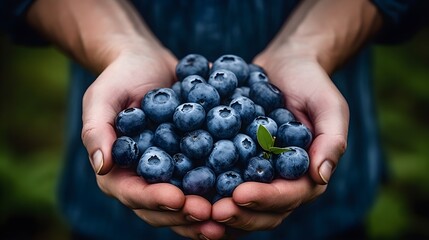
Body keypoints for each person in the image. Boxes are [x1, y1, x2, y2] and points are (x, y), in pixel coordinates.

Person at [0, 0, 426, 239]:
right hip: (112, 221)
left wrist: (309, 48)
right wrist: (116, 47)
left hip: (326, 218)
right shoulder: (169, 126)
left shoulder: (267, 126)